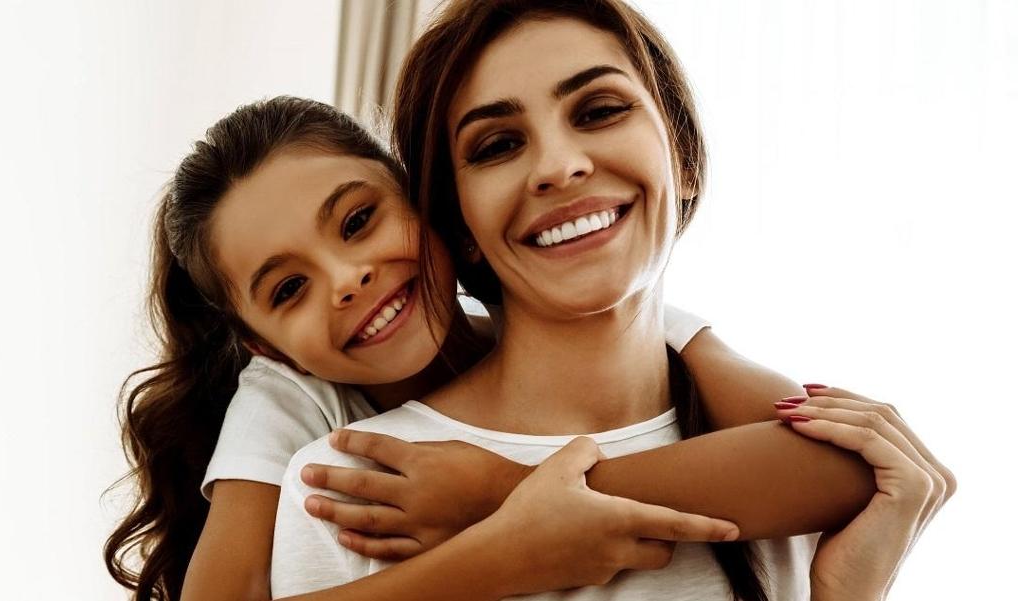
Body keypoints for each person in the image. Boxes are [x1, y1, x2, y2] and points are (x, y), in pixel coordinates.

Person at [270, 0, 952, 599]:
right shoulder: (358, 484)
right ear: (461, 226)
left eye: (599, 111)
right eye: (498, 144)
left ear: (682, 156)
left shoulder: (778, 465)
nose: (560, 166)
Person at [104, 94, 875, 600]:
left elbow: (829, 461)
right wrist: (503, 554)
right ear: (265, 346)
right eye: (287, 290)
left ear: (425, 198)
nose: (347, 277)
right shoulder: (289, 405)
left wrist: (500, 487)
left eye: (358, 221)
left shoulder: (581, 313)